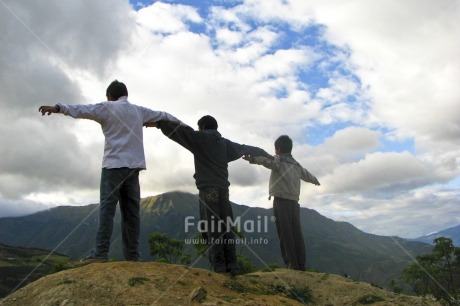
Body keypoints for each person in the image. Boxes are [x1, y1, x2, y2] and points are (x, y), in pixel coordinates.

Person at [39, 80, 183, 263]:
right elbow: (164, 115)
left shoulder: (106, 107)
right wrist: (186, 128)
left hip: (113, 167)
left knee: (107, 211)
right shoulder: (139, 111)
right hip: (133, 168)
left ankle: (100, 253)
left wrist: (58, 108)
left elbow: (82, 109)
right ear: (126, 94)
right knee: (131, 214)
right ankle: (132, 256)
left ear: (110, 96)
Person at [146, 115, 270, 275]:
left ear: (202, 127)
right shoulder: (225, 144)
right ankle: (232, 266)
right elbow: (246, 148)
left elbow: (178, 132)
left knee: (212, 229)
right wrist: (266, 155)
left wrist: (158, 123)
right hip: (224, 192)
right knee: (226, 228)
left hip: (207, 191)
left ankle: (219, 268)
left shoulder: (199, 139)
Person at [243, 135, 320, 271]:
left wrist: (252, 159)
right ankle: (301, 264)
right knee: (296, 233)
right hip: (294, 202)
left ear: (278, 149)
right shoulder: (296, 165)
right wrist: (315, 180)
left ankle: (291, 264)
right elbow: (307, 174)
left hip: (281, 200)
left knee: (285, 233)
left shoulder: (278, 161)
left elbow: (265, 161)